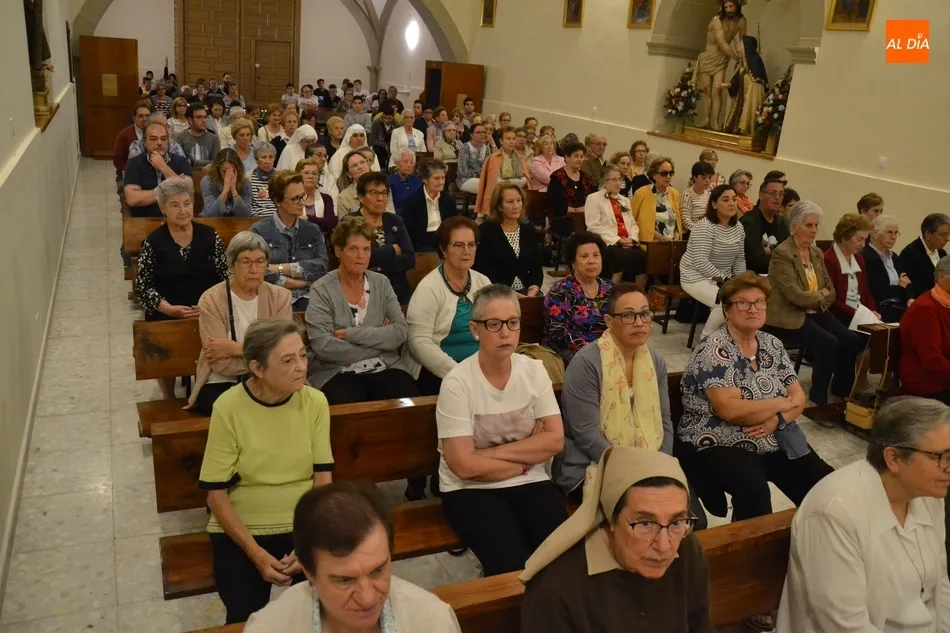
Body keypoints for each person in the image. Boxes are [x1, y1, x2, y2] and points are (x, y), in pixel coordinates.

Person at [198, 317, 333, 624]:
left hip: (303, 523)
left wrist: (306, 543)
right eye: (288, 360)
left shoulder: (315, 402)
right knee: (244, 618)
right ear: (257, 368)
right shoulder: (228, 407)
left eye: (303, 355)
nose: (301, 367)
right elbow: (215, 496)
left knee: (322, 614)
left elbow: (323, 480)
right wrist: (255, 553)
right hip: (243, 527)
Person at [777, 397, 950, 632]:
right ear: (893, 458)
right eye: (942, 457)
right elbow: (845, 625)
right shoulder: (835, 514)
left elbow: (940, 585)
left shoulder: (927, 494)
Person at [678, 272, 833, 521]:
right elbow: (730, 411)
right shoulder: (714, 349)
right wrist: (780, 403)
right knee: (754, 492)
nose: (753, 309)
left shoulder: (772, 344)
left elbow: (798, 397)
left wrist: (777, 419)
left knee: (826, 485)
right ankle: (752, 544)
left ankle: (813, 537)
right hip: (722, 439)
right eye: (743, 303)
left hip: (774, 433)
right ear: (727, 310)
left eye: (759, 302)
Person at [436, 284, 567, 576]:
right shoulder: (457, 383)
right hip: (468, 490)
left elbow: (555, 440)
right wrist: (525, 460)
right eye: (494, 324)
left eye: (512, 322)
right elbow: (464, 466)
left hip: (530, 480)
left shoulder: (534, 371)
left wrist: (488, 454)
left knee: (560, 556)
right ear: (475, 329)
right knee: (510, 566)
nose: (505, 333)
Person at [521, 446, 714, 633]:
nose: (664, 546)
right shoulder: (554, 588)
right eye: (645, 524)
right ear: (611, 518)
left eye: (676, 522)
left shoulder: (687, 549)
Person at [243, 482, 463, 632]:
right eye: (344, 580)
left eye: (378, 570)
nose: (367, 599)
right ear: (308, 572)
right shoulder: (267, 628)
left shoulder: (433, 622)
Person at [554, 284, 668, 483]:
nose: (639, 323)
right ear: (609, 321)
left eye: (644, 314)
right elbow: (587, 436)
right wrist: (635, 470)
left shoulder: (655, 363)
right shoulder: (587, 364)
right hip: (590, 464)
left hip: (648, 462)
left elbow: (665, 422)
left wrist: (661, 463)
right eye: (628, 315)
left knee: (682, 498)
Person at [305, 215, 419, 403]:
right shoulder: (322, 288)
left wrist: (352, 334)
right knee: (345, 397)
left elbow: (400, 332)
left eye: (366, 249)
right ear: (338, 251)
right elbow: (324, 347)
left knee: (407, 396)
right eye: (353, 249)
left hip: (385, 366)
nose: (361, 256)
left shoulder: (382, 282)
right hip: (337, 371)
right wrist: (380, 340)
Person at [133, 178, 229, 397]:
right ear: (163, 208)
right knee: (162, 342)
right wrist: (168, 308)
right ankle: (168, 394)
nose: (183, 210)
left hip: (207, 310)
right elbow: (143, 286)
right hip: (167, 312)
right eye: (175, 205)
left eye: (187, 203)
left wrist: (209, 306)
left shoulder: (210, 236)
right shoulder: (153, 242)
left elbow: (226, 278)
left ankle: (208, 387)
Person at [766, 202, 866, 407]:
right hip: (789, 314)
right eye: (809, 225)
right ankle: (817, 399)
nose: (814, 230)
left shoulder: (816, 252)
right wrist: (820, 295)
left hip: (815, 310)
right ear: (794, 227)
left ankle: (840, 392)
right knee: (828, 343)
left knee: (851, 339)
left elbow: (831, 289)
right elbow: (794, 296)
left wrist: (818, 296)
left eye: (816, 225)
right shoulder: (782, 254)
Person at [188, 232, 292, 414]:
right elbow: (220, 363)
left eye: (260, 261)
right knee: (235, 408)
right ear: (231, 265)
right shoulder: (211, 300)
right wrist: (267, 360)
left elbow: (285, 352)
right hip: (223, 381)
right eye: (245, 262)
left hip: (271, 380)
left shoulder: (280, 297)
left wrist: (236, 349)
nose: (254, 269)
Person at [405, 216, 490, 397]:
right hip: (440, 369)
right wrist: (458, 373)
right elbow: (419, 343)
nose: (466, 251)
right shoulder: (429, 288)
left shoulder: (483, 282)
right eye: (458, 245)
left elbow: (495, 328)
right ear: (443, 250)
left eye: (471, 245)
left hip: (481, 364)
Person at [250, 171, 329, 312]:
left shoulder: (312, 229)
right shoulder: (259, 231)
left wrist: (278, 268)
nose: (302, 202)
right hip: (272, 298)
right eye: (295, 199)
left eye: (303, 196)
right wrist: (300, 283)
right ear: (278, 201)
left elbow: (322, 266)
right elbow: (258, 271)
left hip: (310, 298)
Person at [679, 184, 747, 340]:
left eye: (734, 199)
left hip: (723, 278)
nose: (731, 203)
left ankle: (729, 339)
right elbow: (700, 261)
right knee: (724, 302)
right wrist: (726, 280)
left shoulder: (738, 227)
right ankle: (705, 340)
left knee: (745, 296)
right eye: (725, 200)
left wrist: (741, 280)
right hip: (695, 276)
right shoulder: (705, 226)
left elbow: (739, 258)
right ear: (714, 204)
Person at [542, 233, 613, 365]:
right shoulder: (560, 292)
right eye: (584, 256)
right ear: (573, 263)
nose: (591, 261)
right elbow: (558, 334)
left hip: (608, 350)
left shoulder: (610, 289)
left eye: (596, 255)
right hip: (570, 354)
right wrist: (596, 351)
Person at [349, 172, 416, 305]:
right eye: (374, 193)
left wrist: (376, 264)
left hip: (398, 291)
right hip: (364, 290)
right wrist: (391, 251)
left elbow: (410, 260)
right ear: (361, 197)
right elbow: (356, 259)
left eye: (384, 193)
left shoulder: (395, 221)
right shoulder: (351, 222)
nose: (380, 198)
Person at [583, 164, 648, 289]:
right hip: (607, 242)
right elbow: (593, 226)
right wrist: (618, 240)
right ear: (604, 181)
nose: (618, 183)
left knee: (642, 257)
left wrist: (632, 239)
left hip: (627, 242)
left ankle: (639, 293)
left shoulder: (625, 200)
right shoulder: (594, 198)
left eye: (620, 179)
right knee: (619, 257)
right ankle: (611, 293)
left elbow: (632, 224)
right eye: (614, 180)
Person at [472, 183, 543, 295]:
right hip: (496, 293)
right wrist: (513, 295)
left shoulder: (528, 230)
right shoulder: (486, 231)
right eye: (510, 202)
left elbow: (537, 269)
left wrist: (532, 291)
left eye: (518, 200)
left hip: (527, 292)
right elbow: (483, 272)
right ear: (499, 206)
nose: (516, 206)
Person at [900, 256, 950, 404]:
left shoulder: (945, 302)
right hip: (927, 380)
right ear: (941, 276)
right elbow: (932, 360)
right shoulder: (925, 308)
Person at [123, 122, 192, 217]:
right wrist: (166, 190)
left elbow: (187, 194)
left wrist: (163, 167)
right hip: (144, 220)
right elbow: (133, 199)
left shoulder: (182, 162)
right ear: (145, 143)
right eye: (153, 139)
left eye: (163, 139)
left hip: (177, 218)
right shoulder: (134, 163)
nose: (159, 143)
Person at [824, 213, 879, 325]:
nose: (863, 245)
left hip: (860, 315)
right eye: (859, 239)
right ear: (844, 237)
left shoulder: (859, 258)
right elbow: (832, 300)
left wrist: (873, 311)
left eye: (865, 240)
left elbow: (865, 290)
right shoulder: (829, 259)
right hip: (840, 317)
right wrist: (856, 314)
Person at [863, 214, 915, 322]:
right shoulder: (866, 256)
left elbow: (907, 281)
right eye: (889, 232)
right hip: (879, 312)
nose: (894, 237)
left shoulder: (894, 257)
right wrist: (900, 287)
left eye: (896, 233)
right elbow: (878, 292)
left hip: (898, 308)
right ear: (875, 234)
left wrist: (910, 298)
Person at [474, 127, 532, 219]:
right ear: (501, 141)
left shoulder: (520, 159)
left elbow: (524, 181)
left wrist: (508, 182)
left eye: (513, 139)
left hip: (516, 197)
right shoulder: (493, 159)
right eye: (508, 139)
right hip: (497, 198)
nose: (512, 142)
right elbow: (496, 182)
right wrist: (514, 181)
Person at [403, 158, 457, 251]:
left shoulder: (449, 201)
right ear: (425, 179)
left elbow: (453, 227)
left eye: (443, 178)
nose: (441, 182)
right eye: (436, 178)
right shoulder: (412, 202)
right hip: (421, 245)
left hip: (444, 241)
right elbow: (408, 232)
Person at [548, 141, 598, 237]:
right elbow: (556, 205)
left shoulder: (586, 177)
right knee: (578, 231)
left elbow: (593, 198)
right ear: (567, 158)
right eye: (576, 156)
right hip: (563, 218)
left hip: (585, 217)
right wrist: (577, 211)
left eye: (581, 157)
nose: (579, 159)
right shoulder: (557, 177)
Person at [740, 178, 790, 274]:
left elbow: (788, 254)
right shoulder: (749, 221)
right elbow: (755, 259)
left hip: (779, 275)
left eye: (781, 194)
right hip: (754, 276)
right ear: (761, 195)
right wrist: (776, 253)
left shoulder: (783, 222)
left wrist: (769, 251)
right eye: (772, 193)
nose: (777, 198)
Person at [631, 157, 682, 242]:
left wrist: (677, 234)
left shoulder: (674, 193)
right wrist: (660, 237)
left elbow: (677, 222)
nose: (668, 176)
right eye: (664, 173)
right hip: (651, 243)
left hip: (672, 243)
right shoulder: (641, 193)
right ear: (654, 175)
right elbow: (632, 221)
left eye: (671, 173)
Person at [901, 213, 950, 299]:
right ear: (928, 234)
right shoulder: (910, 254)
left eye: (948, 234)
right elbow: (914, 289)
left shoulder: (941, 252)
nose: (948, 239)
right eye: (943, 235)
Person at [201, 149, 253, 217]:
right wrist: (225, 191)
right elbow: (210, 214)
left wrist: (234, 191)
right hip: (211, 221)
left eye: (232, 171)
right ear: (218, 170)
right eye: (224, 172)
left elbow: (246, 215)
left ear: (238, 170)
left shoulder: (246, 184)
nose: (228, 175)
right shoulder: (207, 182)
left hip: (237, 222)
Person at [114, 101, 152, 181]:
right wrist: (131, 172)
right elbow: (117, 160)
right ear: (134, 118)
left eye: (147, 116)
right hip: (128, 173)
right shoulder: (123, 135)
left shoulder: (155, 133)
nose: (144, 119)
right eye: (141, 116)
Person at [297, 158, 336, 235]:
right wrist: (319, 221)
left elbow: (330, 225)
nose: (310, 176)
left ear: (318, 177)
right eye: (306, 173)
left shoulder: (326, 199)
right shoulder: (293, 198)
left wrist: (307, 218)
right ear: (298, 176)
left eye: (314, 173)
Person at [175, 103, 221, 168]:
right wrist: (208, 163)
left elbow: (216, 164)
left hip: (209, 173)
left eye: (205, 117)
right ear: (190, 120)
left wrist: (192, 162)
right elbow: (180, 163)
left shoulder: (214, 139)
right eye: (199, 117)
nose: (204, 120)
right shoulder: (179, 138)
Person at [456, 122, 492, 194]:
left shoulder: (486, 148)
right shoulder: (465, 148)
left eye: (483, 132)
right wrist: (478, 174)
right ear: (471, 135)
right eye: (478, 132)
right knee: (486, 185)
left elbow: (489, 166)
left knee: (496, 183)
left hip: (482, 178)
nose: (482, 134)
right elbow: (462, 171)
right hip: (465, 180)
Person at [680, 161, 715, 233]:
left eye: (709, 177)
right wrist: (702, 231)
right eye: (703, 177)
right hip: (694, 233)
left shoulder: (710, 195)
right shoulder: (687, 195)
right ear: (695, 177)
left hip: (710, 231)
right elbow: (685, 222)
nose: (707, 181)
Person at [335, 149, 372, 216]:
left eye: (362, 162)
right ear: (348, 174)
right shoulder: (343, 198)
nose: (360, 167)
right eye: (354, 165)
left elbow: (389, 215)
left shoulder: (382, 186)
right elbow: (345, 222)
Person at [388, 150, 422, 216]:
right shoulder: (390, 181)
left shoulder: (417, 180)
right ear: (397, 164)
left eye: (411, 162)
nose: (409, 165)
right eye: (405, 162)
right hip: (398, 216)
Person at [248, 143, 277, 217]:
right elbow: (248, 204)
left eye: (271, 157)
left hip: (278, 218)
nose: (268, 161)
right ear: (256, 160)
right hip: (256, 218)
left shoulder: (280, 177)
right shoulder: (248, 177)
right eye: (264, 157)